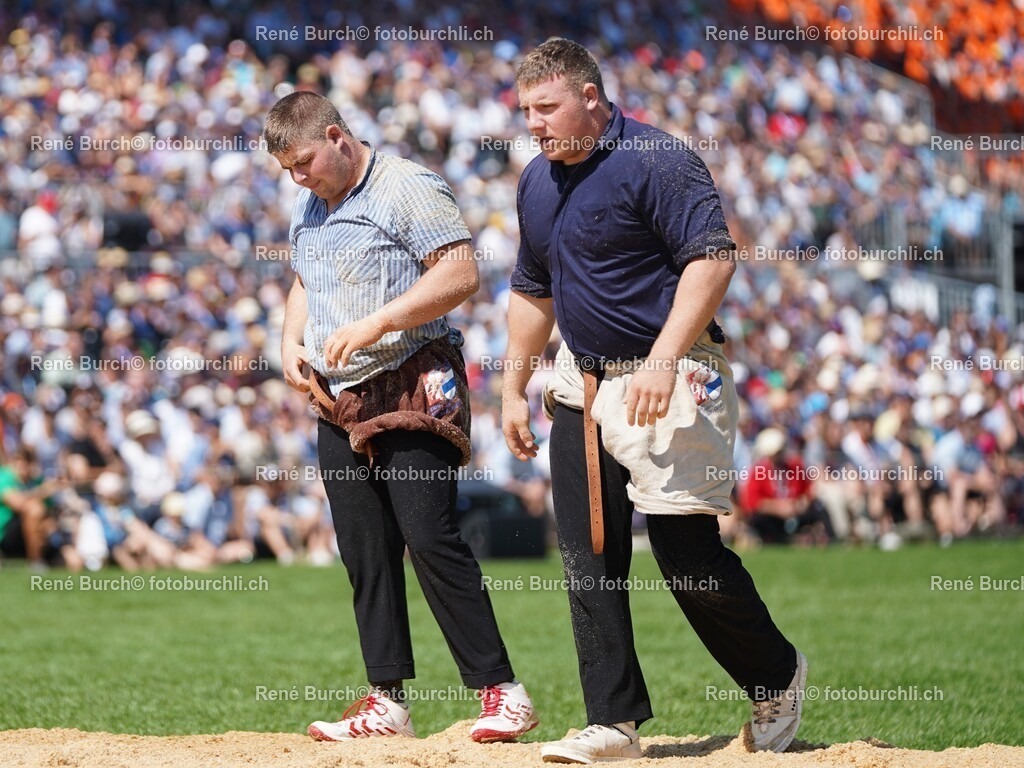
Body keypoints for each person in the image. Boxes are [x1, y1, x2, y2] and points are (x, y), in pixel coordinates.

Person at [502, 39, 806, 762]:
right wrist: (514, 385)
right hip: (582, 381)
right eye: (525, 112)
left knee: (685, 555)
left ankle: (776, 677)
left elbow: (712, 257)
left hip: (671, 375)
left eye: (547, 108)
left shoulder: (659, 159)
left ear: (591, 98)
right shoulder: (535, 183)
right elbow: (531, 289)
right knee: (588, 551)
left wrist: (664, 360)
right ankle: (613, 721)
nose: (535, 124)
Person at [264, 91, 537, 743]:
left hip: (415, 376)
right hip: (339, 394)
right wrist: (288, 343)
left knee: (428, 535)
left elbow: (460, 273)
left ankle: (503, 692)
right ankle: (387, 702)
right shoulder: (313, 202)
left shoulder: (408, 186)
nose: (297, 178)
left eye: (303, 162)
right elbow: (305, 277)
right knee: (363, 547)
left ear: (336, 135)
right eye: (287, 171)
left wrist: (380, 319)